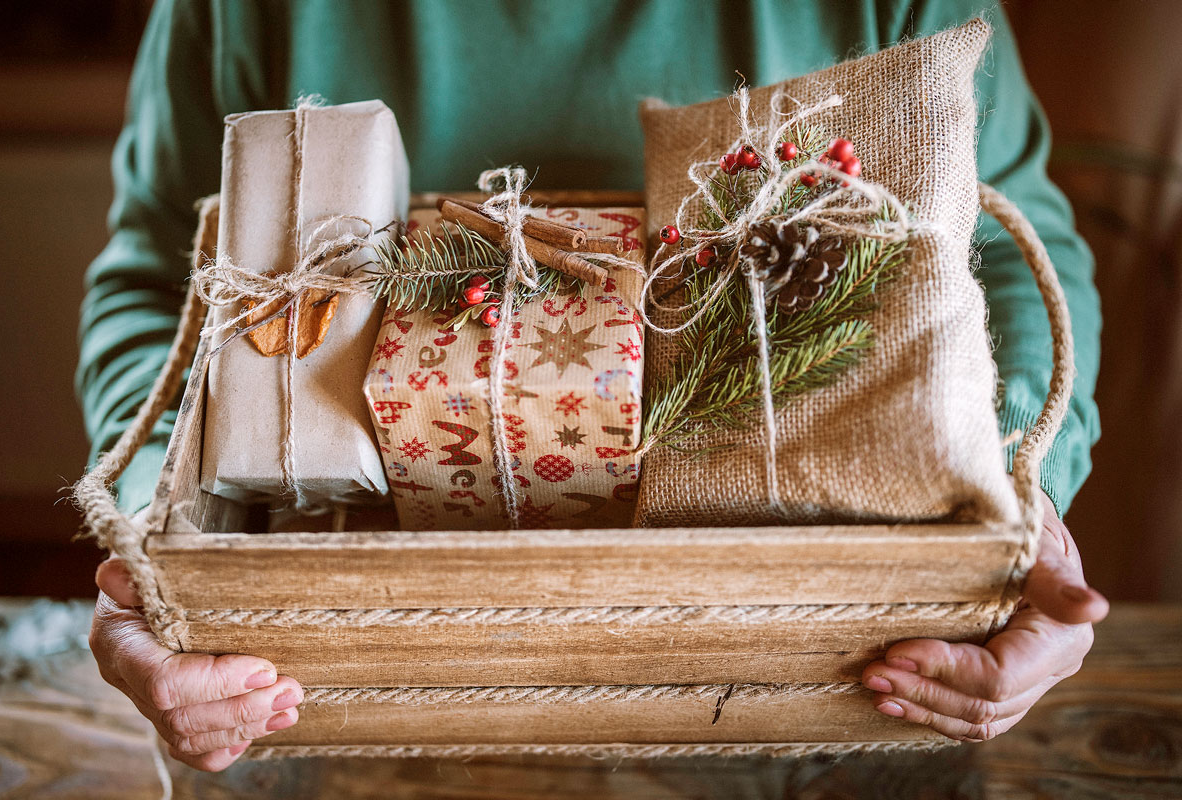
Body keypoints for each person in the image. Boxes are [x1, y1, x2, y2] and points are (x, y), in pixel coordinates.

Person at [82, 0, 1108, 772]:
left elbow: (1009, 250)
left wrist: (1019, 497)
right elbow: (156, 277)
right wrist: (152, 542)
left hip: (823, 705)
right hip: (337, 706)